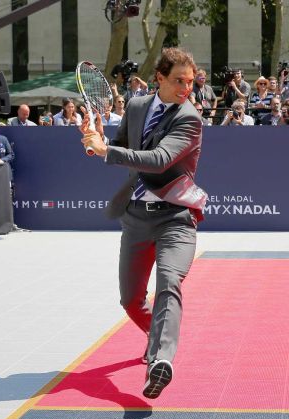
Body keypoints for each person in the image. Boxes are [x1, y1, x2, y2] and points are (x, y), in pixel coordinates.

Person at [78, 47, 205, 400]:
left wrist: (108, 151)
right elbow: (118, 148)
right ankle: (158, 338)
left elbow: (159, 159)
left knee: (168, 283)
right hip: (135, 218)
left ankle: (161, 361)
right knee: (131, 301)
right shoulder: (135, 107)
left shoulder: (189, 118)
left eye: (191, 82)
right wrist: (95, 140)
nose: (186, 89)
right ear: (159, 78)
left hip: (176, 219)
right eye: (179, 81)